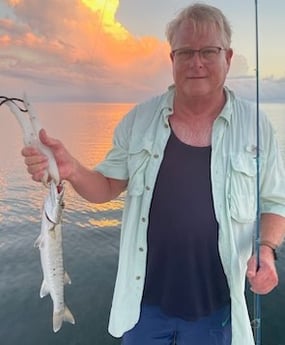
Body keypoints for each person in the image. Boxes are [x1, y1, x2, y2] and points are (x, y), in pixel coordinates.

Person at [22, 3, 285, 345]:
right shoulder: (138, 120)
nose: (197, 62)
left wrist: (265, 249)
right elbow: (107, 186)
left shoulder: (256, 125)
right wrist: (71, 169)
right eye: (185, 51)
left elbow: (274, 202)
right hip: (143, 308)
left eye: (209, 50)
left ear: (228, 57)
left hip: (217, 308)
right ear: (172, 58)